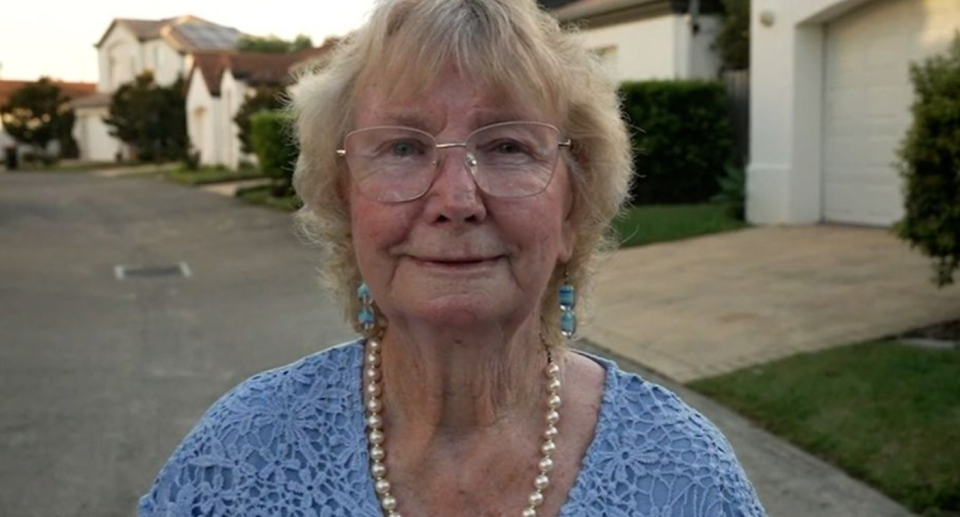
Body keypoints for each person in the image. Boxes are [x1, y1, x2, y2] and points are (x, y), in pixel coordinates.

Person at [139, 0, 767, 515]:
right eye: (404, 148)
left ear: (572, 212)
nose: (457, 200)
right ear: (344, 203)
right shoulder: (237, 457)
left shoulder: (687, 479)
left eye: (509, 147)